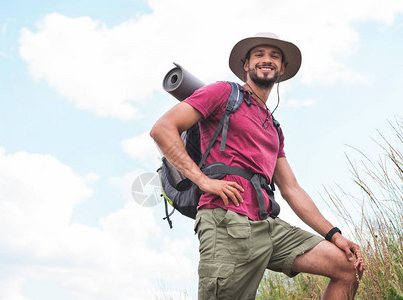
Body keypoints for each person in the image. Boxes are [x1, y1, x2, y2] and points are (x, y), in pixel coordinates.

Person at [150, 32, 365, 299]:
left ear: (282, 68)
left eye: (274, 56)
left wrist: (334, 235)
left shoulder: (273, 128)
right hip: (225, 221)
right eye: (259, 55)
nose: (267, 60)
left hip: (266, 224)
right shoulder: (224, 93)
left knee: (348, 267)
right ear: (246, 65)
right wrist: (203, 180)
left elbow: (292, 189)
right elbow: (162, 129)